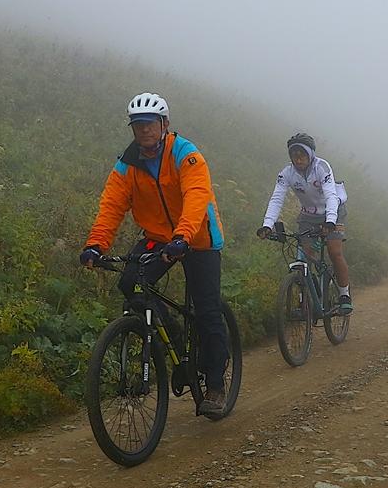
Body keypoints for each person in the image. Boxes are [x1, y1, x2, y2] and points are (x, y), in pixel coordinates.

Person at [80, 92, 231, 416]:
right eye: (137, 125)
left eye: (149, 124)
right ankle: (173, 338)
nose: (144, 131)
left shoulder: (186, 155)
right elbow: (111, 206)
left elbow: (195, 197)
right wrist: (96, 244)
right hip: (158, 238)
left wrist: (183, 237)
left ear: (164, 124)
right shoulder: (128, 164)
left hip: (199, 238)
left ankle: (216, 385)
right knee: (130, 284)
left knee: (206, 310)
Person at [256, 133, 352, 313]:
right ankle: (305, 301)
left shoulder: (321, 167)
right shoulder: (287, 173)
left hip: (334, 211)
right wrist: (268, 224)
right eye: (294, 155)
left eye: (302, 154)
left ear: (311, 154)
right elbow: (277, 198)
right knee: (304, 258)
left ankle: (344, 294)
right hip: (309, 215)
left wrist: (330, 221)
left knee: (334, 251)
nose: (298, 159)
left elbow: (331, 195)